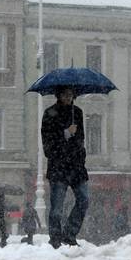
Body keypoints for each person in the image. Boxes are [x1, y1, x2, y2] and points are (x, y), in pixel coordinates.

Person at [42, 86, 89, 248]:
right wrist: (65, 134)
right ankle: (55, 237)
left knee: (84, 199)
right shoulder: (50, 114)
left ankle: (70, 233)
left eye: (71, 95)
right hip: (58, 168)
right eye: (65, 95)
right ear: (59, 95)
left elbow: (81, 139)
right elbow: (48, 145)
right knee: (57, 208)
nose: (69, 97)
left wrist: (80, 152)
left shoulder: (78, 113)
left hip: (76, 167)